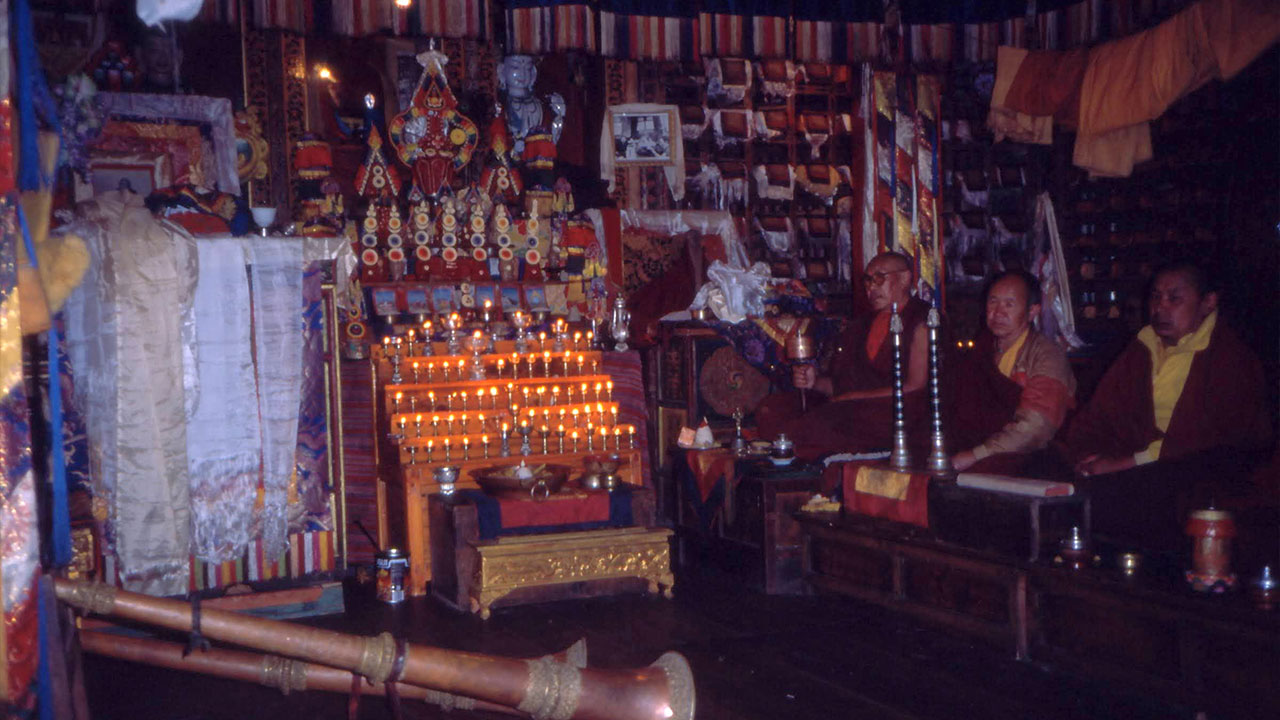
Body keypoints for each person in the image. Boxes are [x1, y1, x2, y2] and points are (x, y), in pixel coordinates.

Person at [1065, 260, 1271, 476]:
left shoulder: (1230, 358)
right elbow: (1100, 414)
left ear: (1208, 302)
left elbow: (1211, 441)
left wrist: (1127, 464)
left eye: (1174, 299)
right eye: (1155, 297)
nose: (1160, 308)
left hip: (1201, 478)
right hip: (1131, 473)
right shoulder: (1142, 347)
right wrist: (1089, 456)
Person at [755, 251, 929, 460]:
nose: (871, 287)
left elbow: (917, 387)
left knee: (815, 425)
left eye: (879, 279)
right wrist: (814, 382)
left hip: (896, 413)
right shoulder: (860, 326)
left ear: (904, 278)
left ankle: (808, 475)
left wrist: (852, 399)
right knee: (771, 409)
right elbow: (841, 387)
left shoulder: (922, 320)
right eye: (867, 281)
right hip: (854, 409)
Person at [948, 270, 1076, 474]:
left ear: (1032, 311)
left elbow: (1036, 427)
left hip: (1031, 457)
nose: (998, 313)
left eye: (1009, 304)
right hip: (974, 449)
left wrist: (976, 455)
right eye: (993, 302)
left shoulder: (1047, 356)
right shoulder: (982, 349)